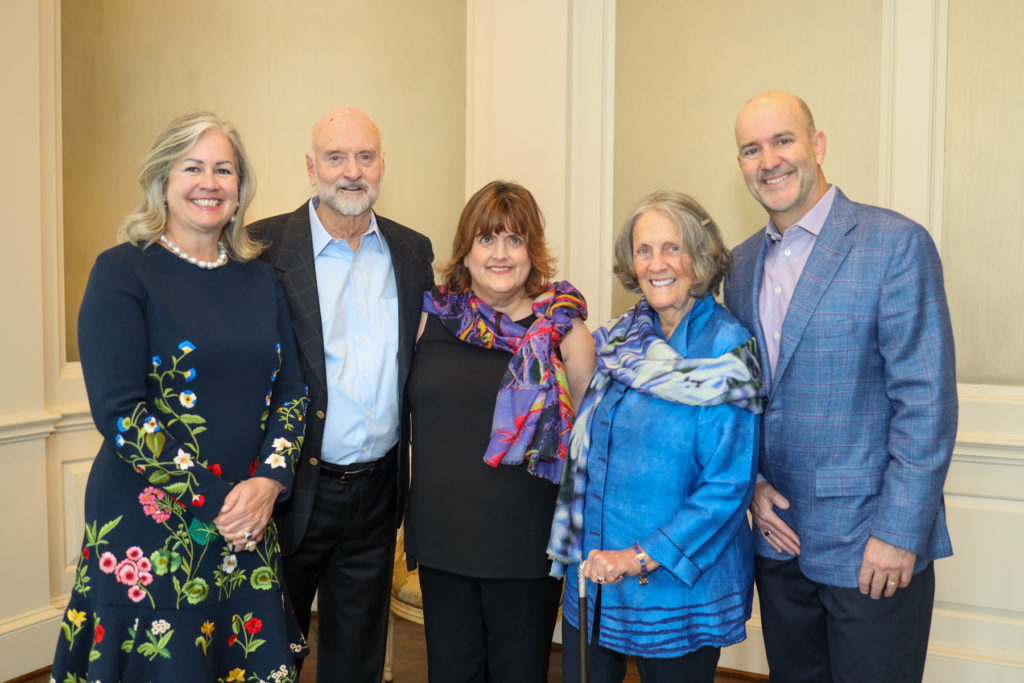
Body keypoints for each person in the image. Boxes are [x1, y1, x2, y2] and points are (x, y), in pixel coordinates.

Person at [50, 111, 309, 682]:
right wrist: (221, 501)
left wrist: (269, 482)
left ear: (241, 189)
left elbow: (292, 391)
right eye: (193, 167)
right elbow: (120, 413)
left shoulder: (261, 278)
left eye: (224, 170)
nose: (209, 183)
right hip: (150, 528)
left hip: (247, 525)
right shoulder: (121, 273)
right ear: (162, 179)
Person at [723, 91, 957, 682]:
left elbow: (925, 404)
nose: (769, 160)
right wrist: (749, 485)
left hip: (870, 547)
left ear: (817, 145)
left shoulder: (895, 244)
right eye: (752, 149)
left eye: (783, 141)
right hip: (779, 547)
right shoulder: (741, 264)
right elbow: (740, 400)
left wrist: (900, 533)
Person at [248, 107, 434, 682]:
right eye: (335, 158)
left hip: (377, 493)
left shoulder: (412, 253)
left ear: (382, 166)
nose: (350, 172)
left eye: (365, 156)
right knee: (266, 653)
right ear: (311, 168)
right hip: (286, 491)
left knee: (356, 659)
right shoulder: (262, 249)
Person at [549, 191, 766, 683]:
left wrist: (638, 558)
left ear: (700, 256)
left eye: (672, 248)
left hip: (675, 589)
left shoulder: (726, 353)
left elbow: (727, 489)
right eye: (644, 250)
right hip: (598, 579)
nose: (657, 264)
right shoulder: (623, 337)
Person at [404, 180, 596, 682]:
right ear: (465, 249)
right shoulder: (429, 317)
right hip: (444, 541)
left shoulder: (564, 330)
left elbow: (589, 443)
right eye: (487, 239)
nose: (501, 254)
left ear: (533, 250)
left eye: (515, 239)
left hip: (526, 545)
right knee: (452, 673)